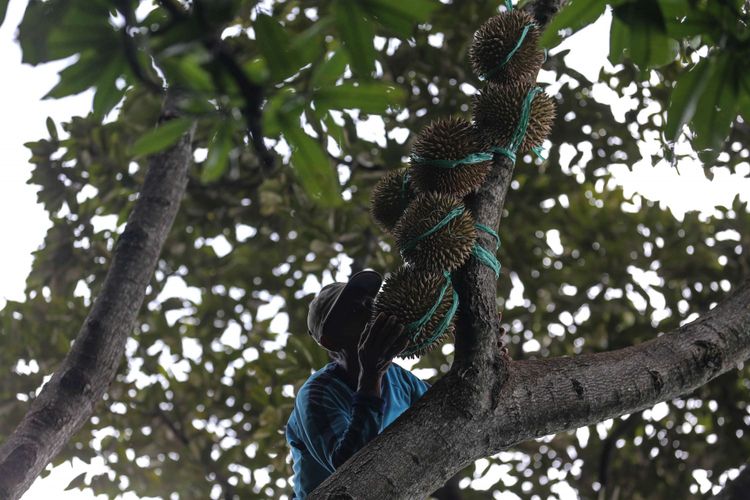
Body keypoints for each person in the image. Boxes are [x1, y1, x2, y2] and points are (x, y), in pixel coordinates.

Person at [285, 269, 431, 498]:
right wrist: (371, 376)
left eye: (370, 305)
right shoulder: (316, 394)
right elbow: (349, 466)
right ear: (331, 341)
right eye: (354, 310)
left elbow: (446, 404)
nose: (368, 312)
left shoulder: (398, 378)